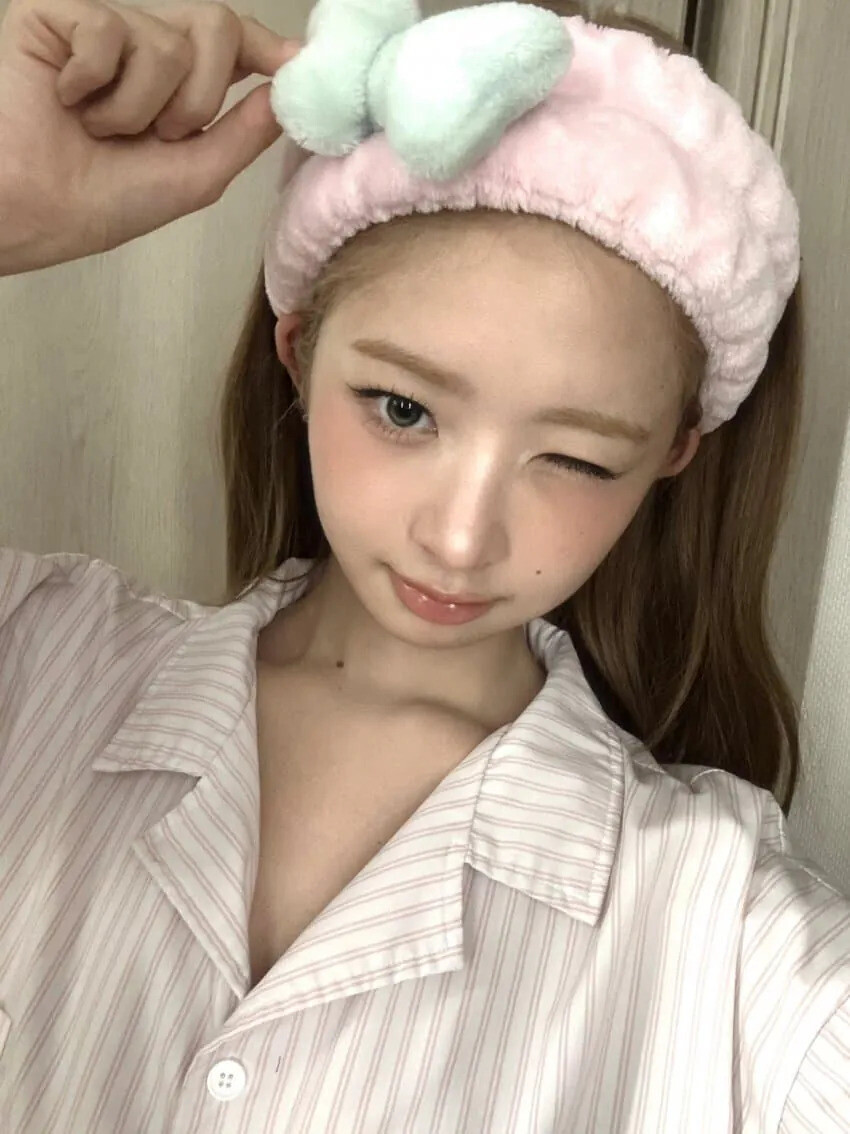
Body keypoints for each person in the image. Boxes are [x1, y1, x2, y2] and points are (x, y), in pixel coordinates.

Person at [0, 0, 847, 1130]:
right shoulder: (28, 652)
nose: (460, 539)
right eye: (402, 409)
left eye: (576, 459)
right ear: (299, 351)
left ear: (670, 457)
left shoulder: (735, 944)